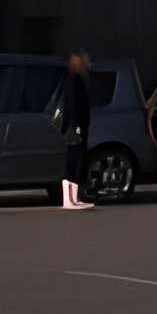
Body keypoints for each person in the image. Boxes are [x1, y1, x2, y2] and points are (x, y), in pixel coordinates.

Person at [57, 50, 95, 211]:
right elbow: (72, 105)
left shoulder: (76, 79)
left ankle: (74, 198)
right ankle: (69, 200)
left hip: (77, 126)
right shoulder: (73, 80)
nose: (87, 64)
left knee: (77, 161)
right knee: (73, 161)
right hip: (75, 128)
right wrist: (77, 126)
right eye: (85, 61)